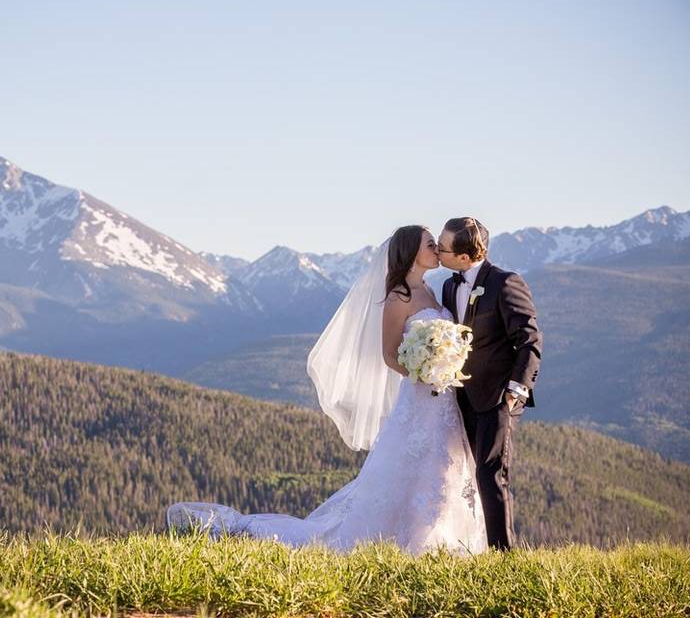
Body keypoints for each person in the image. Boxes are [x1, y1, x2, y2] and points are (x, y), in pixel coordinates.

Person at [166, 225, 487, 554]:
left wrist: (446, 366)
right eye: (430, 244)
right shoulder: (398, 298)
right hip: (420, 396)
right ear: (411, 252)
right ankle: (406, 541)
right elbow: (390, 355)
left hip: (445, 400)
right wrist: (423, 371)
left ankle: (440, 541)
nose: (437, 249)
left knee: (443, 470)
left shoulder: (434, 292)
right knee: (411, 469)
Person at [438, 217, 542, 550]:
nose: (438, 251)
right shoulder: (449, 286)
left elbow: (529, 339)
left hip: (498, 395)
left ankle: (504, 555)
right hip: (462, 396)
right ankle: (473, 545)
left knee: (491, 473)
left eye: (443, 247)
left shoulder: (505, 282)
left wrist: (516, 390)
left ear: (464, 256)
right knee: (469, 473)